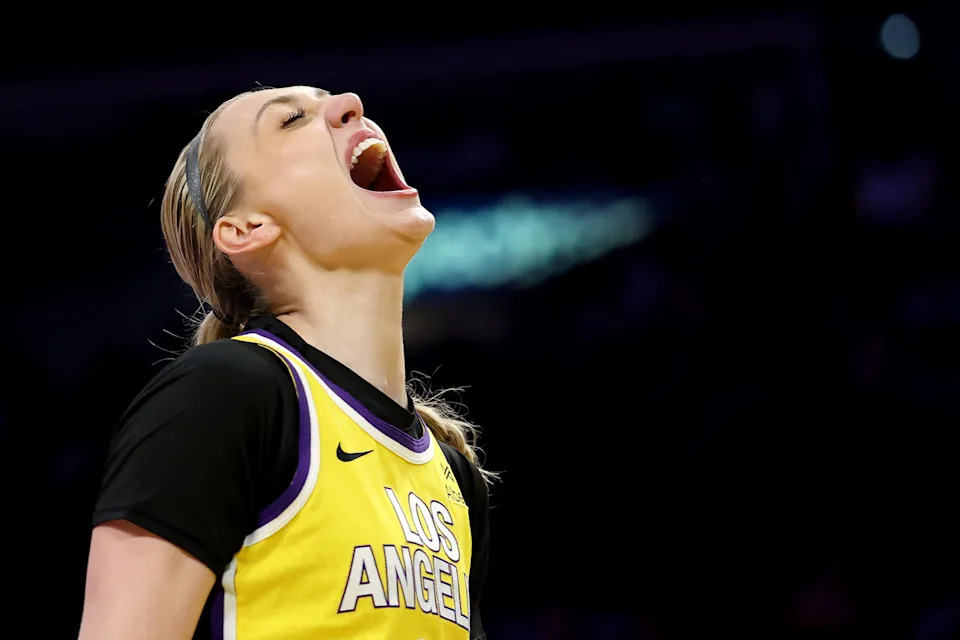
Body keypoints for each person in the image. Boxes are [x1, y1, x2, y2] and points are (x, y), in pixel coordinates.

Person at [78, 86, 494, 640]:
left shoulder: (454, 477)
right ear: (247, 228)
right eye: (293, 119)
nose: (350, 102)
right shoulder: (223, 394)